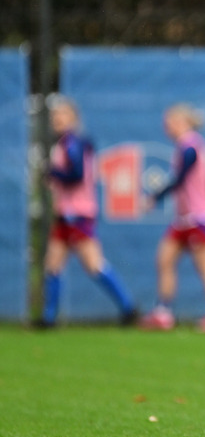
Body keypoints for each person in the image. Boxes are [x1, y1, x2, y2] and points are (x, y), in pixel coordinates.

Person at [37, 96, 136, 328]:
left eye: (62, 114)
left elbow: (77, 174)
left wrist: (52, 173)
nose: (57, 119)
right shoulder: (64, 144)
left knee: (94, 264)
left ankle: (128, 308)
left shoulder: (75, 143)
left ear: (74, 118)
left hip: (78, 214)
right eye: (55, 115)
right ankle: (49, 318)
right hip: (64, 214)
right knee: (53, 264)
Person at [139, 104, 205, 333]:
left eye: (170, 122)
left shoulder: (191, 145)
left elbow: (180, 178)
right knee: (165, 259)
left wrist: (154, 197)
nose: (166, 127)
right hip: (182, 218)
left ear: (183, 122)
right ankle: (163, 312)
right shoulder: (183, 147)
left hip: (198, 218)